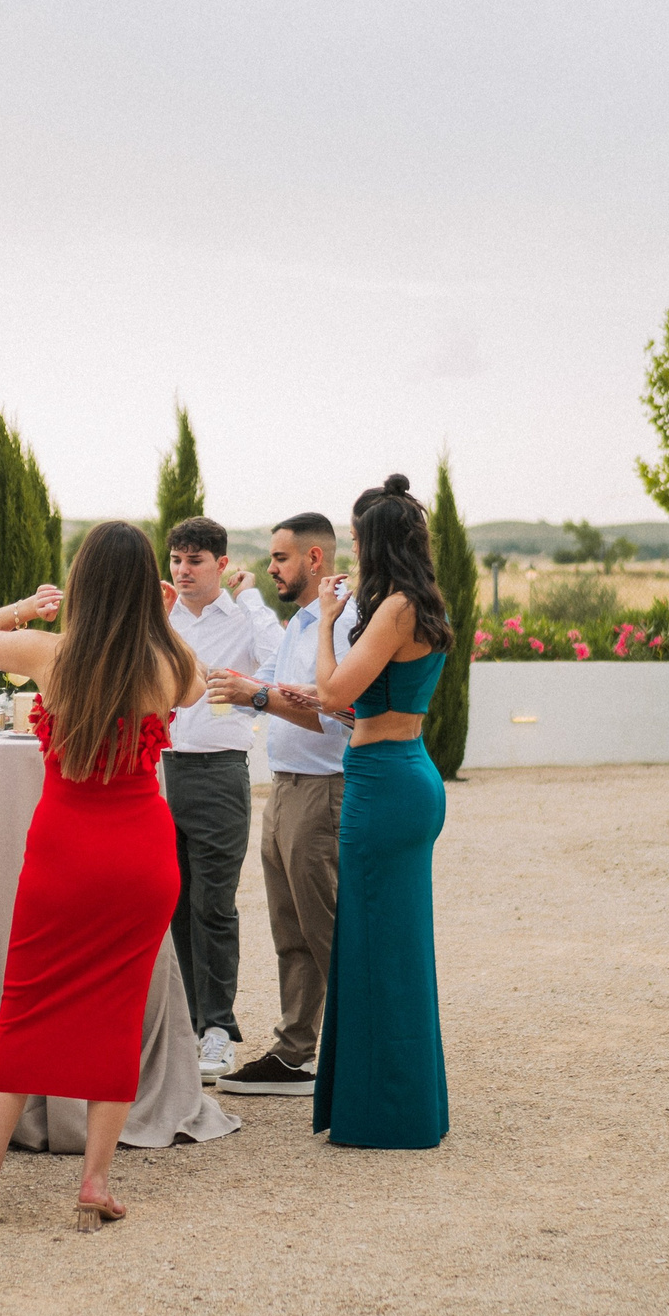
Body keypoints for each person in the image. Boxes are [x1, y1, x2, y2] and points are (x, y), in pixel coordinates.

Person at [0, 520, 205, 1230]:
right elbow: (198, 686)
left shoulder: (48, 653)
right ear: (147, 591)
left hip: (64, 853)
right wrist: (167, 615)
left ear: (82, 584)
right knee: (118, 1012)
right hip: (141, 858)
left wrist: (30, 605)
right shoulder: (164, 664)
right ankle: (93, 1185)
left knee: (24, 1004)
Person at [308, 474, 451, 1148]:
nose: (352, 548)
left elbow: (333, 685)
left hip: (385, 783)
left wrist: (326, 622)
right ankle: (402, 1101)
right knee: (391, 945)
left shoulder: (393, 607)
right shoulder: (421, 601)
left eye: (358, 537)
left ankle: (387, 1112)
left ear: (377, 542)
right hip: (405, 771)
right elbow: (361, 699)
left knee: (378, 946)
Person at [205, 512, 358, 1096]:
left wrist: (260, 695)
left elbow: (337, 712)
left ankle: (359, 1051)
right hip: (286, 787)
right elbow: (256, 690)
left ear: (314, 559)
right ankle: (296, 1054)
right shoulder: (300, 622)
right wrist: (207, 677)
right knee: (291, 930)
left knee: (330, 932)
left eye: (280, 558)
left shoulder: (343, 622)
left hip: (325, 790)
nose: (269, 568)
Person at [158, 516, 283, 1081]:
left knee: (214, 903)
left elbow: (278, 662)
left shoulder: (245, 618)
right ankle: (184, 1023)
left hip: (218, 772)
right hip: (157, 772)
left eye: (195, 561)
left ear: (221, 564)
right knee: (172, 903)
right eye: (177, 560)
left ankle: (218, 1029)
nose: (183, 571)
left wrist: (251, 597)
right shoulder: (160, 618)